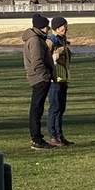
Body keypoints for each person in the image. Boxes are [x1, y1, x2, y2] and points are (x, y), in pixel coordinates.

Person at [22, 13, 55, 150]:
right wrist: (45, 76)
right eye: (46, 26)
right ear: (41, 27)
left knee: (37, 108)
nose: (48, 28)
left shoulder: (34, 39)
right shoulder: (35, 40)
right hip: (39, 78)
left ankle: (37, 138)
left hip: (38, 77)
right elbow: (37, 62)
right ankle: (36, 139)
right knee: (36, 109)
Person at [46, 16, 73, 147]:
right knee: (54, 109)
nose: (66, 28)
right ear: (57, 27)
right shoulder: (51, 41)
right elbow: (45, 59)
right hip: (54, 80)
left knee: (61, 108)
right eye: (64, 26)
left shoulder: (63, 41)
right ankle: (53, 136)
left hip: (63, 79)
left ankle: (60, 135)